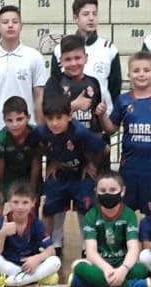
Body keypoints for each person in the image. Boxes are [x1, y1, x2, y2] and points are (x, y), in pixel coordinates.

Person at [102, 51, 151, 216]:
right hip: (130, 166)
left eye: (146, 70)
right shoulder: (123, 100)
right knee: (126, 210)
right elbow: (111, 129)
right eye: (136, 71)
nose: (141, 74)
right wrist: (101, 115)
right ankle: (128, 241)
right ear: (129, 75)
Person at [35, 91, 105, 250]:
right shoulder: (41, 132)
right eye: (50, 119)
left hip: (81, 173)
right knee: (51, 204)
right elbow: (39, 149)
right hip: (60, 173)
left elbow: (104, 149)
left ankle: (87, 246)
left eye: (59, 118)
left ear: (69, 116)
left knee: (86, 206)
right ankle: (53, 244)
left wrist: (91, 165)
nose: (54, 123)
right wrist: (52, 162)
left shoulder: (80, 132)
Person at [69, 170, 151, 287]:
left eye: (113, 190)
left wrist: (123, 269)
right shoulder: (91, 215)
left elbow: (133, 249)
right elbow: (90, 252)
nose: (108, 194)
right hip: (101, 265)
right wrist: (107, 269)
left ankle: (85, 283)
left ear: (122, 191)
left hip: (122, 262)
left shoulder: (129, 215)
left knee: (143, 268)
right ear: (96, 192)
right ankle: (131, 286)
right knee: (77, 266)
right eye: (103, 191)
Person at [0, 4, 49, 139]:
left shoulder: (34, 57)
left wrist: (41, 128)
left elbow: (39, 96)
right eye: (5, 22)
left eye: (15, 22)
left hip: (28, 135)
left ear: (21, 26)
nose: (10, 25)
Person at [0, 181, 59, 287]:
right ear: (9, 202)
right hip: (10, 265)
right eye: (15, 202)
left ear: (33, 203)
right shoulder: (3, 221)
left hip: (31, 265)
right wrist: (2, 234)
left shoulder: (36, 224)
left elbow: (51, 250)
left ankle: (11, 281)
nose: (20, 207)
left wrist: (37, 259)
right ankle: (30, 279)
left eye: (25, 202)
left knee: (55, 261)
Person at [50, 0, 122, 107]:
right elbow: (55, 87)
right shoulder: (60, 49)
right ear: (75, 18)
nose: (91, 18)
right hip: (69, 118)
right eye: (86, 14)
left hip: (101, 118)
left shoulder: (109, 49)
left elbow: (115, 88)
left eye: (94, 13)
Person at [0, 95, 41, 229]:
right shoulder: (0, 139)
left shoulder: (36, 133)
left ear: (28, 118)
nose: (15, 124)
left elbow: (37, 164)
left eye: (20, 119)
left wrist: (33, 191)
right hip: (5, 176)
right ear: (4, 120)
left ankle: (32, 237)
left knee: (32, 204)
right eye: (10, 120)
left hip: (28, 176)